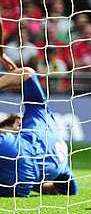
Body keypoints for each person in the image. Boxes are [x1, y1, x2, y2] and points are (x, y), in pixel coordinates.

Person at [0, 61, 78, 197]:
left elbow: (27, 72)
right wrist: (38, 184)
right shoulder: (60, 153)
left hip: (17, 150)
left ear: (17, 123)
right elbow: (71, 189)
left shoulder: (34, 116)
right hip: (22, 186)